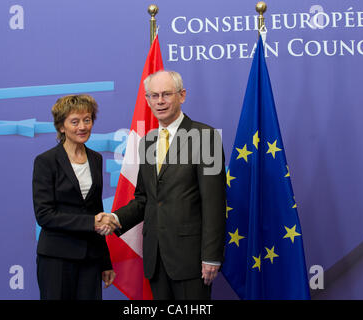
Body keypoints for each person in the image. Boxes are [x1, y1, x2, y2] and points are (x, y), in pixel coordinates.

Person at [98, 70, 226, 300]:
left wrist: (211, 256)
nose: (160, 101)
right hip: (156, 259)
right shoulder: (148, 141)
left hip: (191, 261)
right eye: (154, 95)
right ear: (147, 100)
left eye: (166, 94)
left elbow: (214, 202)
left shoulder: (205, 137)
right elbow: (144, 198)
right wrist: (115, 219)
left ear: (182, 95)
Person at [32, 94, 120, 300]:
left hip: (90, 259)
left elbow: (95, 210)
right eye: (75, 121)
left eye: (87, 120)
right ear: (61, 127)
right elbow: (44, 215)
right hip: (56, 258)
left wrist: (105, 262)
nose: (82, 126)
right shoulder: (46, 162)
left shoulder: (96, 159)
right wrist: (91, 222)